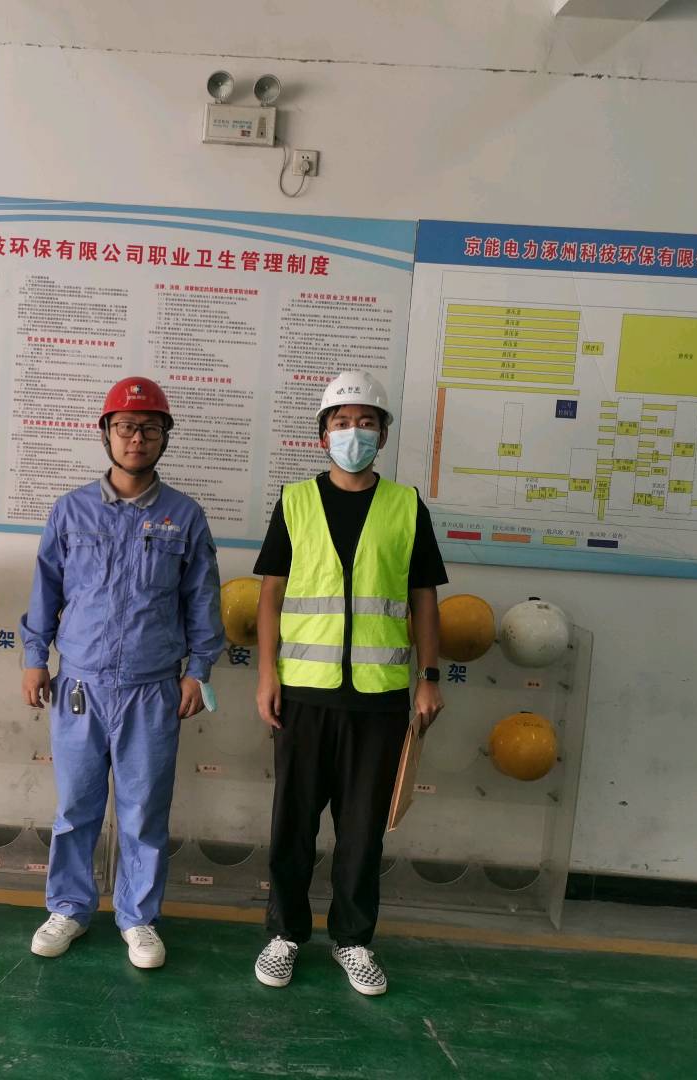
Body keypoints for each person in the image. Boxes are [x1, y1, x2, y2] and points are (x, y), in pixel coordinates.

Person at [251, 370, 446, 995]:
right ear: (322, 436)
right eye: (341, 422)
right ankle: (285, 934)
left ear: (382, 435)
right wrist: (266, 675)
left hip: (379, 697)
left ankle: (354, 940)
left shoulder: (406, 506)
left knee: (362, 830)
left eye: (365, 422)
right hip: (302, 694)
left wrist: (429, 676)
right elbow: (270, 596)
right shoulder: (294, 502)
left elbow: (423, 597)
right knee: (293, 825)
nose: (353, 432)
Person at [19, 376, 224, 970]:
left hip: (152, 688)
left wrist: (199, 670)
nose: (137, 438)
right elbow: (46, 590)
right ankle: (69, 907)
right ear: (106, 433)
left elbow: (202, 600)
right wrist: (35, 659)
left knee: (143, 810)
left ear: (164, 437)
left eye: (149, 428)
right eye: (126, 427)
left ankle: (139, 918)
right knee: (76, 807)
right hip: (79, 685)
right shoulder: (71, 510)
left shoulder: (184, 516)